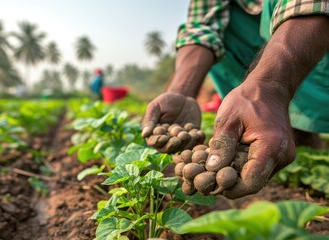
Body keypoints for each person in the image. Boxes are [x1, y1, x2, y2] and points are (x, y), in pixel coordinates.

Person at [141, 0, 329, 199]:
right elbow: (203, 26)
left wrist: (269, 87)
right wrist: (182, 90)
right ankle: (284, 129)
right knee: (222, 29)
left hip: (315, 40)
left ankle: (297, 128)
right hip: (267, 43)